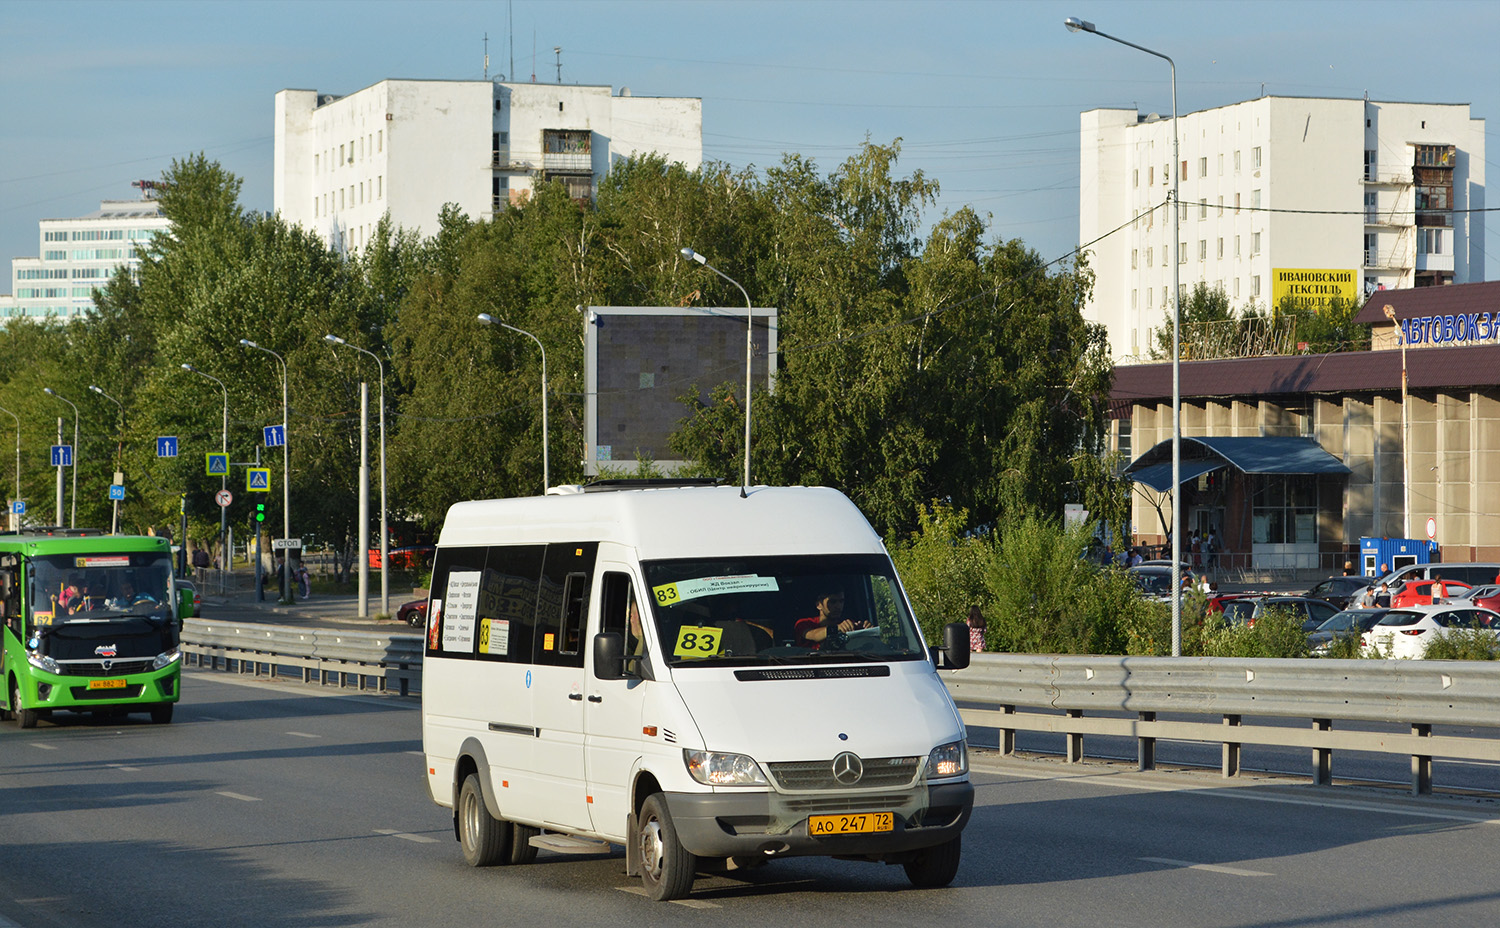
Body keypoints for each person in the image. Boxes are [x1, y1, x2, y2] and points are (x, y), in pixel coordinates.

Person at [795, 588, 868, 648]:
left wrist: (866, 630)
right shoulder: (804, 623)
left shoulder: (848, 624)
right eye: (832, 602)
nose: (838, 606)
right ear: (819, 605)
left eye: (841, 601)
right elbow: (814, 635)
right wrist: (837, 629)